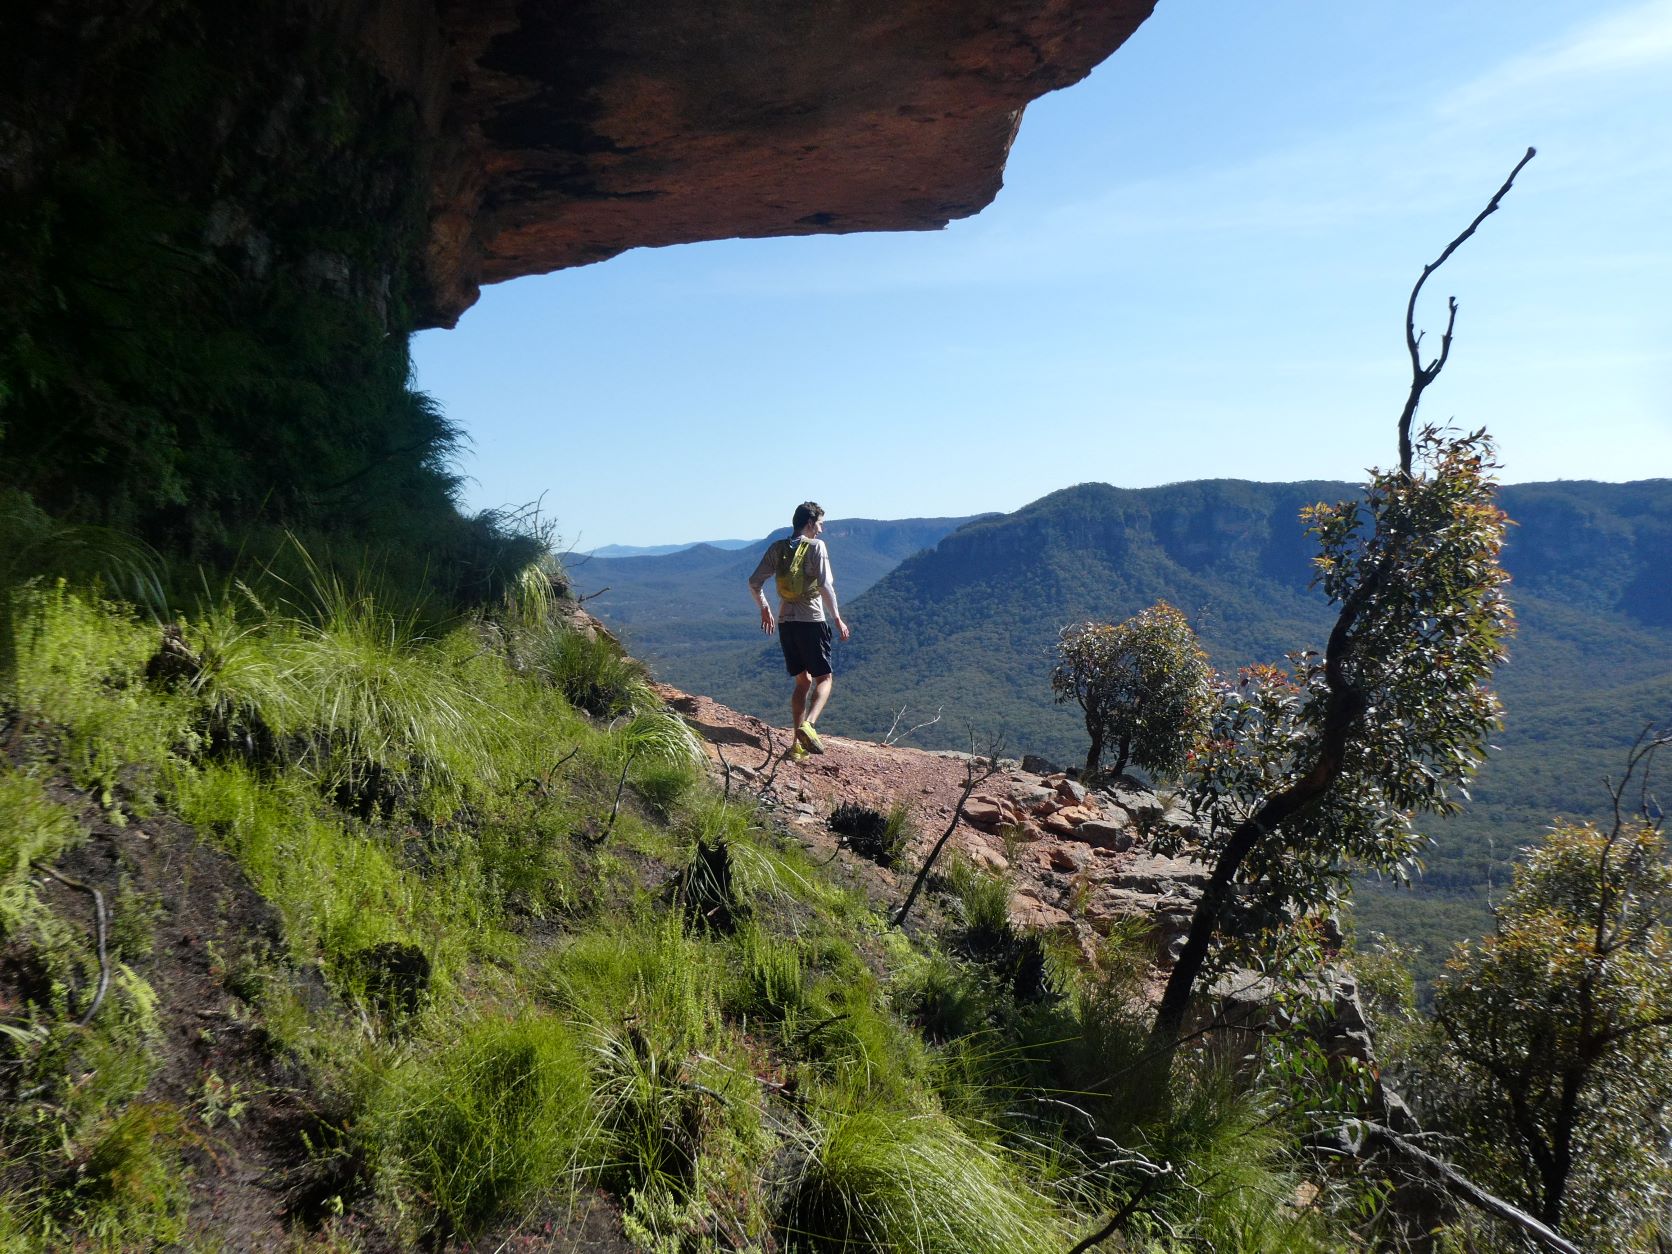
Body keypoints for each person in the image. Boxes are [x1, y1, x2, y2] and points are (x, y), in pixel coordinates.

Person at [747, 501, 851, 759]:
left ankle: (797, 745)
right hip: (811, 620)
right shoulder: (816, 547)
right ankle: (809, 725)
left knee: (802, 681)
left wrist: (764, 608)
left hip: (785, 622)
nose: (821, 530)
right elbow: (826, 586)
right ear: (809, 523)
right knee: (824, 679)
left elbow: (754, 582)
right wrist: (837, 618)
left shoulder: (778, 548)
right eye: (819, 524)